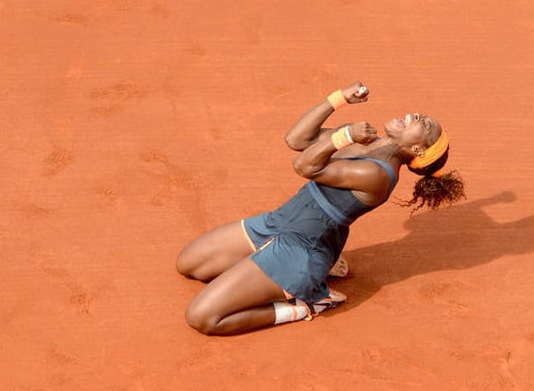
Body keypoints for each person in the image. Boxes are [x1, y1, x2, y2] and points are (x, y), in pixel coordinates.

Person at [175, 81, 465, 335]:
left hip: (300, 252)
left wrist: (345, 136)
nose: (417, 116)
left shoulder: (378, 175)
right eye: (422, 116)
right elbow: (296, 140)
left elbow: (304, 166)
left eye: (424, 124)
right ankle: (314, 269)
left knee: (202, 317)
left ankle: (305, 305)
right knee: (189, 264)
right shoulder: (370, 141)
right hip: (279, 223)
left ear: (416, 150)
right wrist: (337, 100)